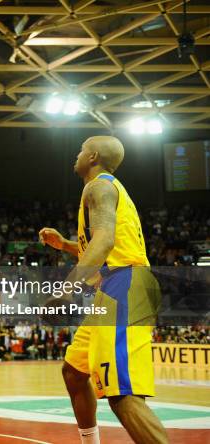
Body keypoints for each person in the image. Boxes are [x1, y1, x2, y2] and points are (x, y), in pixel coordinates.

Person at [39, 135, 168, 444]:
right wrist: (67, 245)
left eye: (81, 149)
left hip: (124, 285)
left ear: (93, 156)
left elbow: (105, 242)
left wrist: (68, 288)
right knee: (74, 372)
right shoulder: (105, 189)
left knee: (122, 396)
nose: (77, 154)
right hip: (111, 286)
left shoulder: (99, 186)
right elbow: (106, 247)